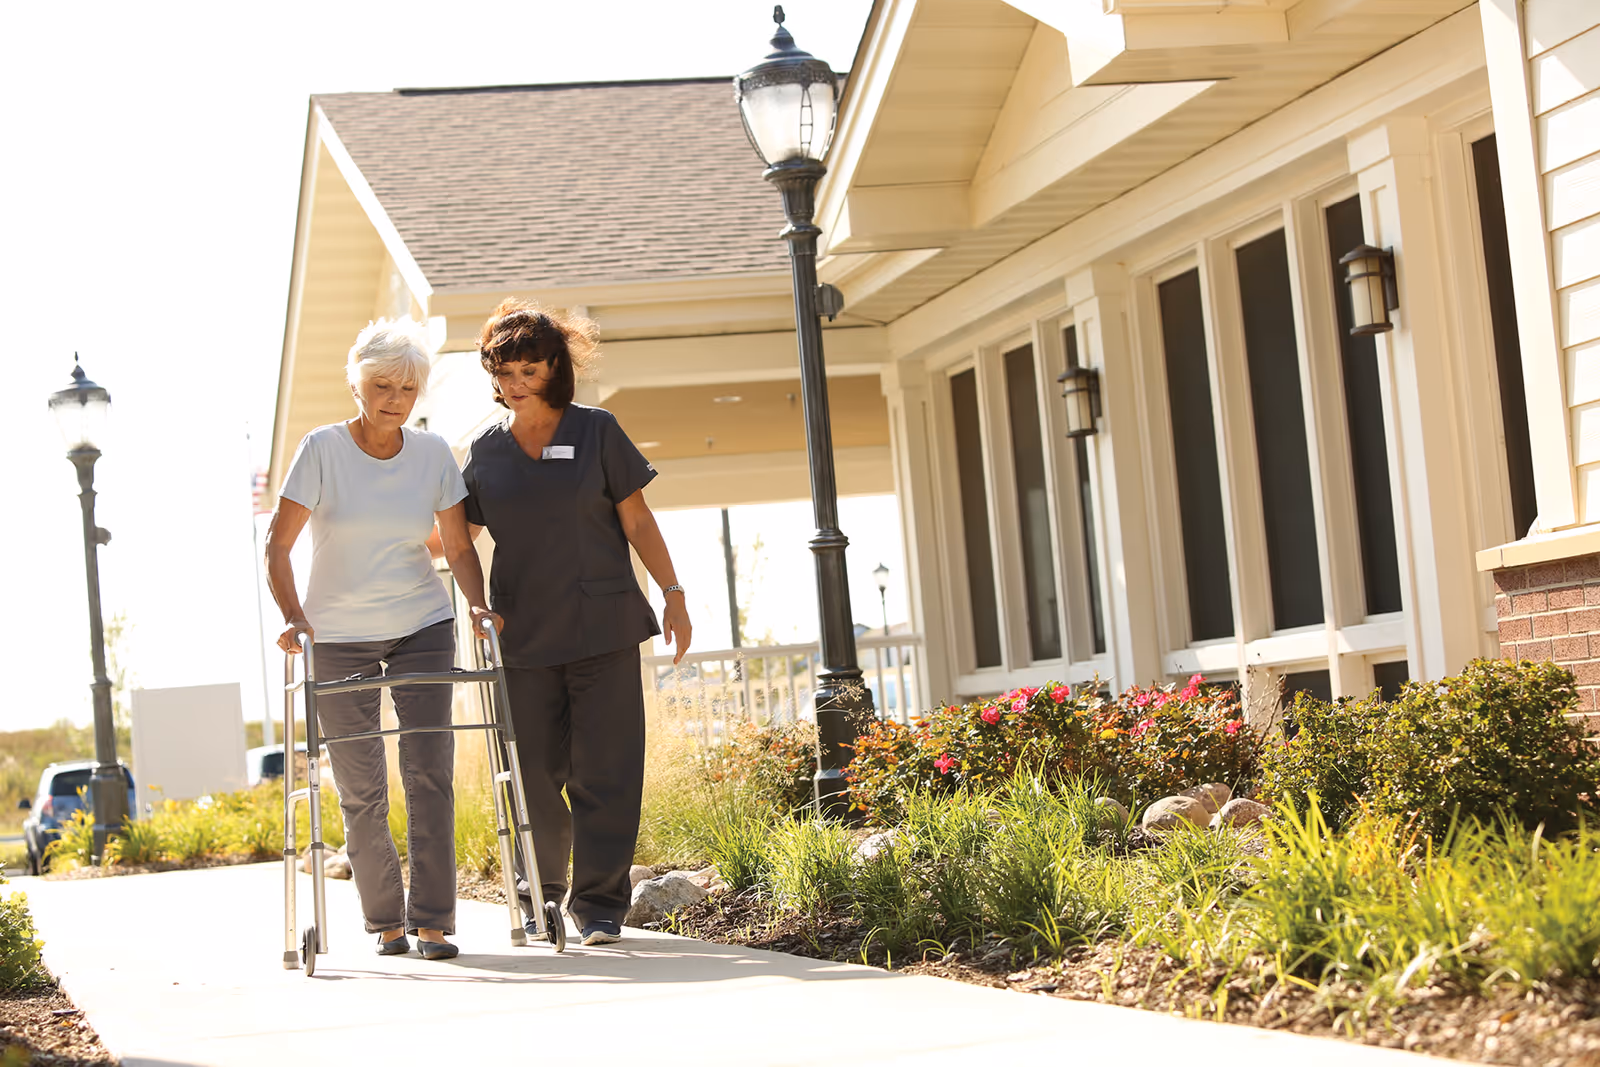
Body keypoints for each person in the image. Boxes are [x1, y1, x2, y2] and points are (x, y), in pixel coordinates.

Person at [454, 299, 690, 947]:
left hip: (604, 625)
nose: (516, 384)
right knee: (531, 772)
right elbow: (451, 538)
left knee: (606, 770)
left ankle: (600, 906)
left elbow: (637, 519)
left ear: (555, 368)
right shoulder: (484, 451)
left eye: (529, 369)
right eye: (505, 371)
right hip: (523, 635)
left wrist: (673, 591)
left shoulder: (598, 431)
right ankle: (540, 895)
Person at [265, 318, 500, 961]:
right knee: (362, 787)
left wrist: (477, 605)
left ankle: (432, 922)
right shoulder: (321, 449)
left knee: (430, 771)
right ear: (358, 384)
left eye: (406, 386)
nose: (394, 397)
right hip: (336, 634)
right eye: (381, 384)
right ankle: (385, 923)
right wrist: (292, 615)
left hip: (423, 623)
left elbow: (457, 543)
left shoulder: (431, 454)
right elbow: (278, 545)